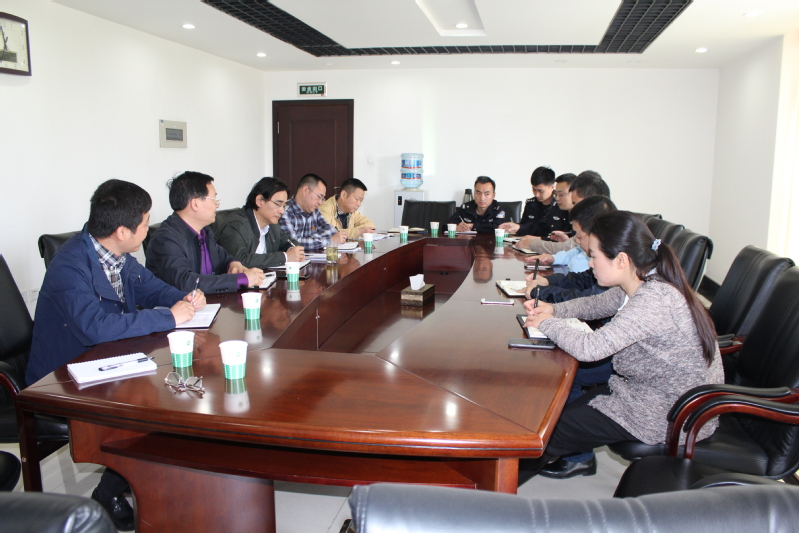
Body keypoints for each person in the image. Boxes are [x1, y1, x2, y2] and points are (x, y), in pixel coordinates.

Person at [26, 179, 207, 530]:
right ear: (122, 231)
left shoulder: (117, 254)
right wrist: (168, 317)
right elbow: (95, 328)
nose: (148, 229)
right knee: (158, 407)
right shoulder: (69, 266)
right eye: (145, 223)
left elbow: (152, 288)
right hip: (61, 377)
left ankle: (137, 480)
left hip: (105, 360)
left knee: (176, 392)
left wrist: (183, 298)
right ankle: (110, 492)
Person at [518, 211, 723, 485]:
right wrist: (554, 310)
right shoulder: (643, 280)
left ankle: (490, 495)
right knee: (552, 419)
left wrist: (547, 323)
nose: (590, 263)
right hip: (644, 392)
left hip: (669, 412)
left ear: (622, 259)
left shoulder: (654, 299)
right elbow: (595, 304)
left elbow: (591, 349)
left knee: (546, 434)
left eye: (594, 256)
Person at [146, 171, 265, 293]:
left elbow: (224, 257)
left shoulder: (204, 231)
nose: (217, 205)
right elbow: (185, 282)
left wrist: (234, 263)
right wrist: (240, 280)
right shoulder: (165, 239)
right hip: (178, 304)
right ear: (195, 204)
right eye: (214, 199)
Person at [212, 177, 305, 269]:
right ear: (260, 201)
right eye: (278, 204)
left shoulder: (273, 225)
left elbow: (290, 242)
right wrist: (285, 257)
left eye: (284, 206)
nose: (282, 211)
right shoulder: (236, 225)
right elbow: (240, 261)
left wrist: (293, 251)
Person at [517, 171, 610, 254]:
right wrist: (567, 241)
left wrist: (532, 243)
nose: (557, 198)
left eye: (575, 203)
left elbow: (568, 248)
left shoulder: (599, 223)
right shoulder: (589, 218)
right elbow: (572, 246)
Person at [279, 173, 348, 249]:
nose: (320, 202)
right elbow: (293, 243)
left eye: (322, 198)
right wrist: (329, 241)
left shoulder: (314, 211)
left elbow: (330, 231)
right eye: (319, 197)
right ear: (305, 190)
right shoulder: (284, 211)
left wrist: (310, 238)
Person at [498, 166, 555, 237]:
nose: (536, 194)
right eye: (534, 189)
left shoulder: (559, 205)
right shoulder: (531, 204)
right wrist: (515, 227)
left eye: (540, 191)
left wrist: (520, 227)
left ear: (552, 187)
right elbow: (524, 226)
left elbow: (546, 230)